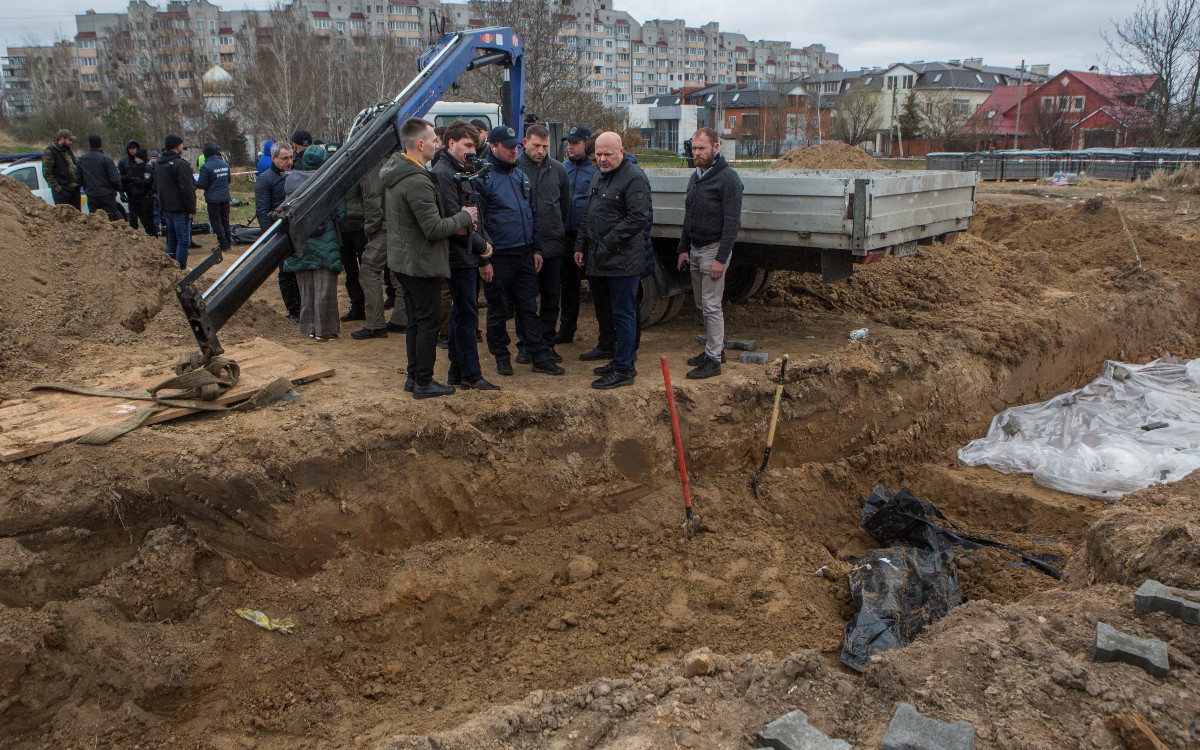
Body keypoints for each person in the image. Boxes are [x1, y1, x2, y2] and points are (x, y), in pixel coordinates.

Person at [381, 118, 477, 399]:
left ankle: (414, 377)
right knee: (428, 323)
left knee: (415, 321)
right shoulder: (417, 181)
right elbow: (433, 228)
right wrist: (464, 216)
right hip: (420, 264)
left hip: (404, 262)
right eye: (434, 141)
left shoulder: (396, 174)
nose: (438, 145)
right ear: (420, 144)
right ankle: (424, 382)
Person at [476, 125, 565, 377]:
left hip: (524, 254)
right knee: (499, 311)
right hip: (498, 256)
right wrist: (484, 259)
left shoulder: (519, 176)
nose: (514, 151)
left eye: (515, 146)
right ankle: (501, 357)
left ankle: (539, 355)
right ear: (493, 147)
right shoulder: (482, 178)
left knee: (528, 307)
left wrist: (536, 248)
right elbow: (478, 222)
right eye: (508, 146)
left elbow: (532, 215)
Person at [573, 132, 650, 389]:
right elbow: (589, 214)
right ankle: (616, 357)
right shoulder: (598, 176)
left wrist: (606, 244)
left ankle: (624, 368)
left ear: (622, 151)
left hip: (623, 260)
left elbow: (637, 218)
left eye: (608, 154)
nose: (602, 159)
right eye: (598, 154)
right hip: (599, 258)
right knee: (606, 311)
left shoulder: (634, 178)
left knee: (623, 313)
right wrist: (581, 245)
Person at [431, 120, 499, 391]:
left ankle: (457, 372)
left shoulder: (460, 170)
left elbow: (475, 213)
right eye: (467, 145)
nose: (471, 150)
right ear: (451, 143)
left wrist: (483, 250)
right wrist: (483, 247)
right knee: (466, 315)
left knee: (464, 314)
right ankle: (470, 374)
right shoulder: (443, 173)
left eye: (474, 145)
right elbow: (455, 220)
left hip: (469, 254)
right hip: (458, 256)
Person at [676, 128, 743, 379]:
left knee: (712, 306)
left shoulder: (728, 179)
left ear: (716, 147)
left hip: (714, 249)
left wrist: (721, 258)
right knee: (701, 304)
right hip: (695, 249)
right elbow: (688, 215)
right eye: (694, 148)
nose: (696, 153)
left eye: (701, 148)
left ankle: (713, 360)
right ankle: (715, 349)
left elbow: (732, 223)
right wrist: (683, 248)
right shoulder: (696, 177)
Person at [515, 123, 570, 365]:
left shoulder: (558, 170)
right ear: (525, 143)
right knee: (525, 299)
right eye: (536, 145)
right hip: (525, 247)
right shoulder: (515, 170)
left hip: (553, 246)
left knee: (551, 298)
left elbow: (564, 208)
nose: (540, 151)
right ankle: (526, 344)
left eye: (545, 147)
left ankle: (547, 343)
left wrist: (557, 232)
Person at [283, 145, 345, 341]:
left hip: (300, 243)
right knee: (325, 289)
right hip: (325, 239)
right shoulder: (329, 181)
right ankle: (325, 330)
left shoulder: (291, 182)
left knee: (306, 288)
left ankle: (309, 328)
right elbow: (341, 214)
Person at [350, 151, 407, 340]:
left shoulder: (373, 163)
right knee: (398, 273)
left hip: (384, 226)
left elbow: (372, 197)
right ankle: (401, 319)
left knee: (368, 270)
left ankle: (375, 324)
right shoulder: (400, 158)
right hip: (400, 224)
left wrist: (371, 229)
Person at [556, 124, 596, 345]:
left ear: (586, 144)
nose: (570, 147)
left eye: (575, 143)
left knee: (598, 287)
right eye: (568, 143)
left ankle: (606, 336)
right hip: (567, 235)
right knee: (568, 286)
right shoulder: (563, 168)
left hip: (589, 235)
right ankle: (567, 329)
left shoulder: (595, 169)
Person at [254, 141, 301, 321]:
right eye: (285, 158)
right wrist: (270, 238)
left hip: (296, 230)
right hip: (279, 233)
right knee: (286, 274)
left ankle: (303, 306)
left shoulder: (295, 174)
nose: (289, 161)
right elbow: (263, 211)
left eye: (291, 157)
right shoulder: (265, 180)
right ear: (274, 159)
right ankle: (294, 310)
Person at [156, 134, 196, 269]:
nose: (182, 147)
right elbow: (187, 189)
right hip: (180, 209)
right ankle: (180, 270)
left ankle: (171, 269)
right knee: (183, 241)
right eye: (180, 144)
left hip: (167, 208)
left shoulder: (159, 164)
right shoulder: (180, 164)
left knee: (171, 240)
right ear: (176, 146)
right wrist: (191, 209)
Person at [339, 165, 369, 323]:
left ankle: (369, 308)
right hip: (345, 229)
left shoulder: (357, 173)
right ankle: (358, 307)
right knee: (350, 271)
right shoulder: (333, 176)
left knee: (367, 269)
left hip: (359, 227)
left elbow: (367, 195)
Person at [74, 135, 125, 222]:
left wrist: (88, 187)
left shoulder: (81, 160)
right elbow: (115, 180)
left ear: (89, 144)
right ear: (100, 144)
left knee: (95, 223)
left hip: (92, 196)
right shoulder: (107, 159)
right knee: (111, 221)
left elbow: (78, 179)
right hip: (107, 196)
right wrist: (118, 189)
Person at [197, 143, 232, 253]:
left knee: (216, 221)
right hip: (225, 197)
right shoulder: (225, 164)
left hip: (213, 199)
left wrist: (193, 182)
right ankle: (228, 242)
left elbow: (202, 184)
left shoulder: (206, 167)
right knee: (225, 220)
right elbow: (229, 180)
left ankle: (223, 244)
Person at [42, 129, 80, 209]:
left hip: (74, 189)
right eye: (69, 140)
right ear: (62, 139)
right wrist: (58, 189)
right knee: (64, 218)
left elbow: (74, 165)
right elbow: (46, 173)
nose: (71, 143)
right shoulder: (50, 151)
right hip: (62, 192)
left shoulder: (67, 150)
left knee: (78, 218)